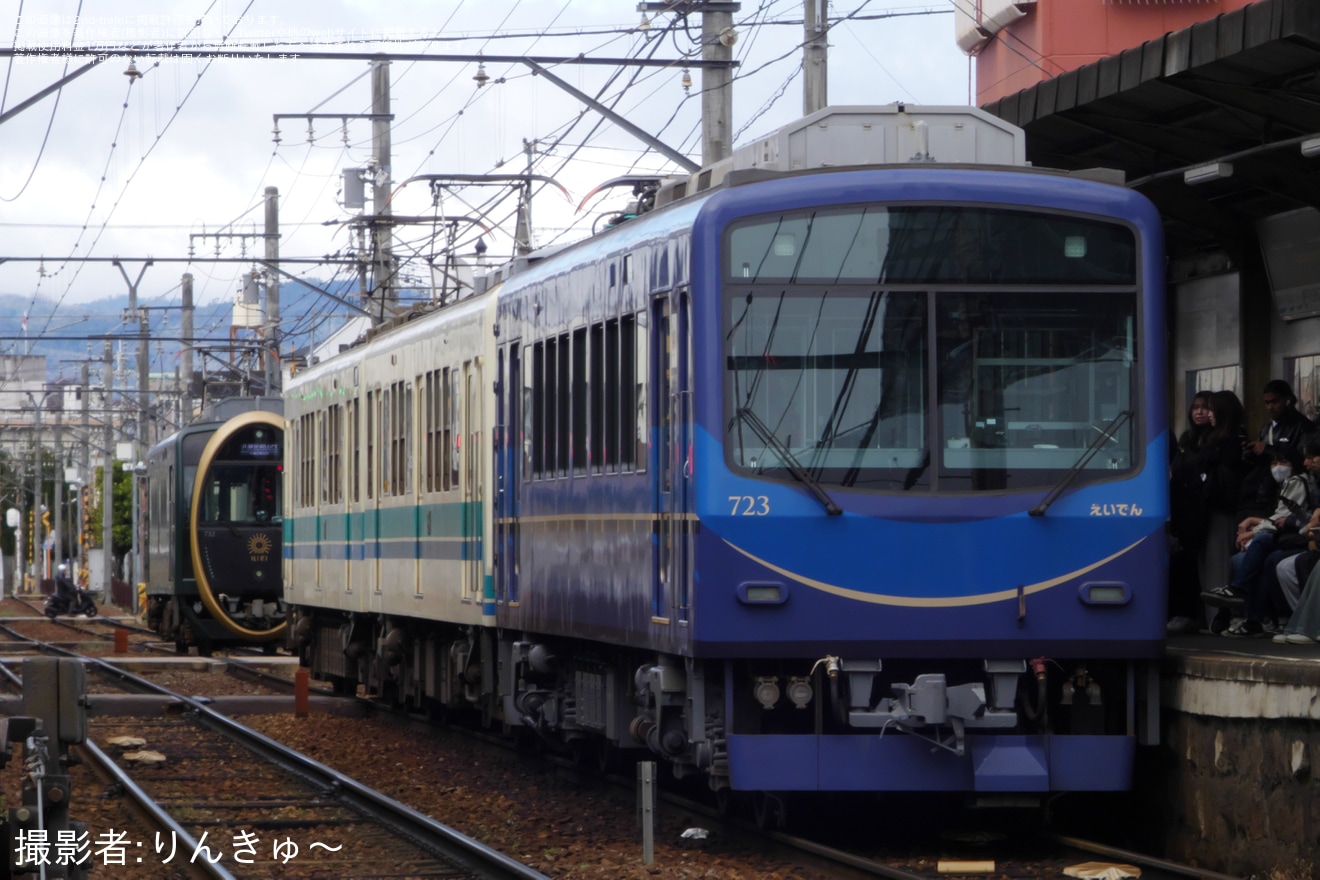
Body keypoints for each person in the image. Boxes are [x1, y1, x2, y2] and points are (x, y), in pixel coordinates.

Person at [1208, 440, 1320, 637]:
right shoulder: (1283, 485)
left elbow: (1289, 518)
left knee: (1262, 548)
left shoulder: (1297, 482)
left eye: (1283, 462)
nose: (1277, 468)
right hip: (1291, 533)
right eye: (1273, 462)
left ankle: (1240, 594)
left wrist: (1254, 531)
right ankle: (1250, 618)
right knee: (1243, 559)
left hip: (1299, 536)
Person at [1193, 390, 1252, 631]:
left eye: (1211, 409)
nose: (1207, 414)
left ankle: (1218, 618)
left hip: (1221, 510)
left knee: (1218, 567)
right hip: (1217, 510)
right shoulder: (1225, 441)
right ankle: (1216, 618)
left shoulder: (1225, 445)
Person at [1167, 391, 1213, 633]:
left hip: (1200, 508)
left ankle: (1196, 615)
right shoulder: (1186, 439)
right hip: (1182, 508)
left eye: (1205, 408)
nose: (1199, 412)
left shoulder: (1216, 441)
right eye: (1195, 407)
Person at [1245, 379, 1314, 469]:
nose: (1270, 407)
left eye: (1274, 402)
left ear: (1287, 400)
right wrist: (1251, 453)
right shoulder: (1266, 429)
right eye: (1267, 403)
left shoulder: (1303, 426)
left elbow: (1305, 458)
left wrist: (1269, 449)